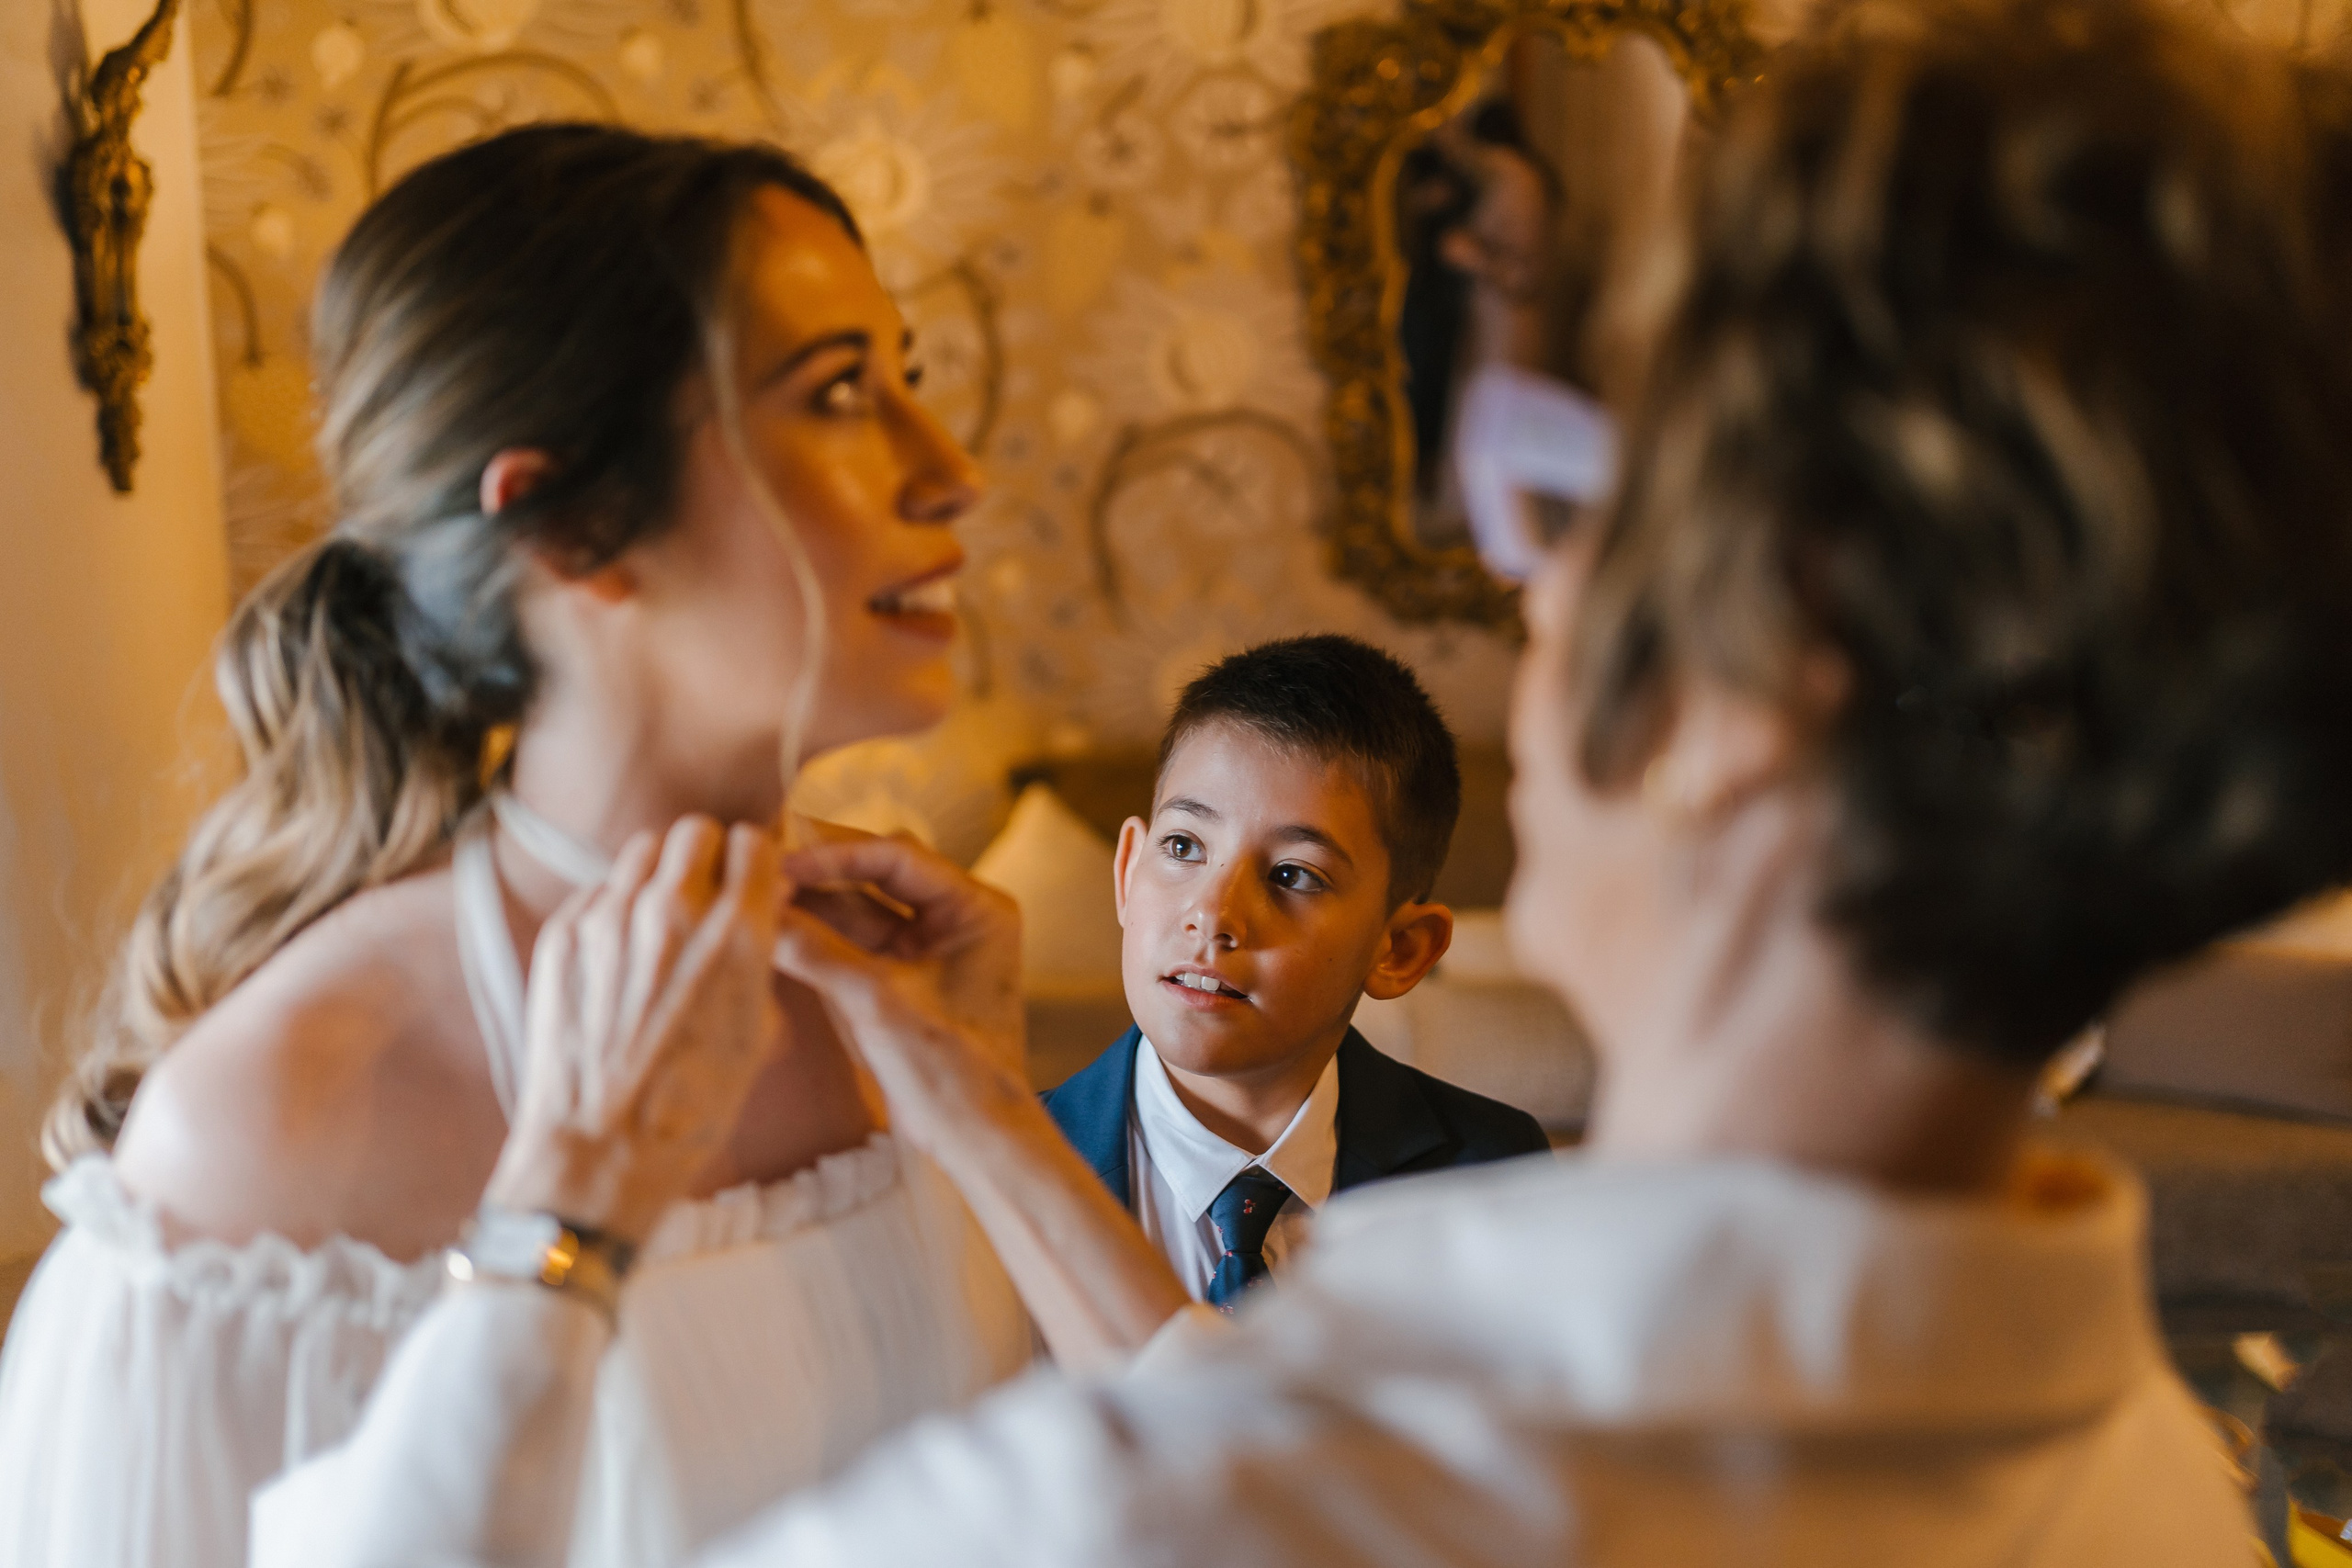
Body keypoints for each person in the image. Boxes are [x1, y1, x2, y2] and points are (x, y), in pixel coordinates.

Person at [240, 0, 2352, 1561]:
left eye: (1553, 499)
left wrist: (560, 1219)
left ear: (1749, 697)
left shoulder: (1234, 1496)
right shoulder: (2161, 1481)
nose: (1519, 591)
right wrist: (980, 1103)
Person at [0, 126, 1043, 1568]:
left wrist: (997, 1105)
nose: (951, 471)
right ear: (570, 526)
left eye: (906, 378)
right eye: (839, 394)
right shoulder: (279, 1117)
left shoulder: (906, 989)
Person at [1043, 635, 1548, 1307]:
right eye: (1184, 845)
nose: (1213, 915)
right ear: (1129, 872)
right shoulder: (1006, 1163)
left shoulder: (1496, 1171)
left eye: (1292, 875)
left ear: (1400, 949)